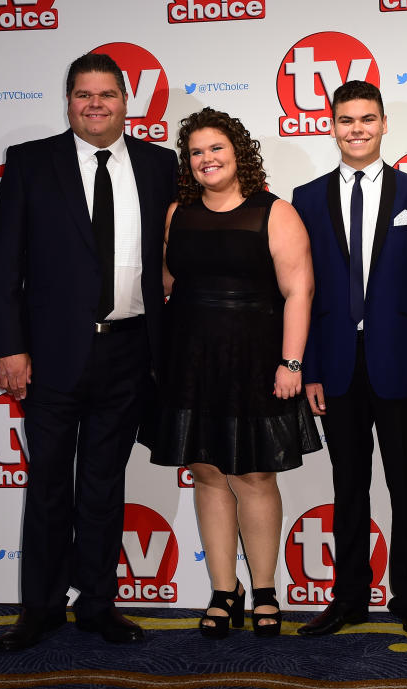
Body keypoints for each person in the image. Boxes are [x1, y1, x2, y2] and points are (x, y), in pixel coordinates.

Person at [0, 52, 177, 651]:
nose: (95, 104)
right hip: (49, 357)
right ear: (68, 101)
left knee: (103, 483)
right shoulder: (31, 163)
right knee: (46, 485)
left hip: (129, 352)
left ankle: (97, 604)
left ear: (126, 101)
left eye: (107, 94)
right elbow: (1, 264)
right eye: (83, 94)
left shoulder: (161, 165)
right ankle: (39, 608)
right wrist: (11, 348)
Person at [152, 107, 320, 639]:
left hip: (256, 359)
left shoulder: (275, 212)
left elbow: (300, 291)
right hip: (191, 358)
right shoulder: (177, 213)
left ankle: (266, 589)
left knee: (254, 475)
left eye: (216, 149)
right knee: (205, 470)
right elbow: (164, 285)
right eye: (197, 151)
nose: (207, 159)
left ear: (238, 153)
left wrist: (291, 362)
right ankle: (226, 590)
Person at [291, 81, 407, 650]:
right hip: (334, 365)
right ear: (331, 126)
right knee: (347, 486)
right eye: (345, 120)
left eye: (367, 119)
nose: (355, 128)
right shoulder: (305, 198)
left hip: (401, 367)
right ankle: (349, 598)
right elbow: (301, 291)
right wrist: (308, 368)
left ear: (383, 126)